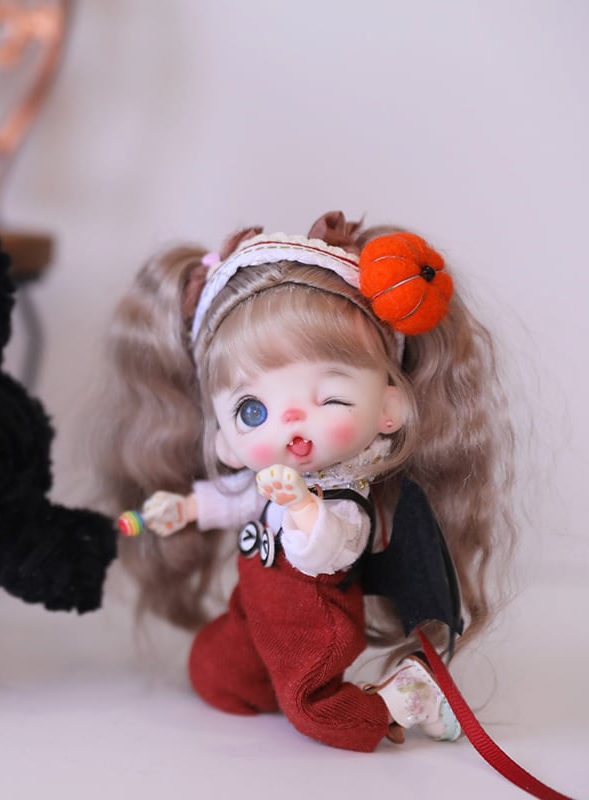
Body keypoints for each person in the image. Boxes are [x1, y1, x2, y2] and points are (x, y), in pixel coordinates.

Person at [93, 210, 516, 753]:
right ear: (224, 440)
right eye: (251, 411)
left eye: (331, 397)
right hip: (254, 610)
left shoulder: (342, 495)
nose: (291, 421)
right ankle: (263, 671)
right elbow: (235, 500)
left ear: (389, 409)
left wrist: (302, 507)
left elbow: (327, 550)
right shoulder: (266, 479)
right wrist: (186, 509)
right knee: (215, 672)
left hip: (312, 622)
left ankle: (403, 699)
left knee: (317, 713)